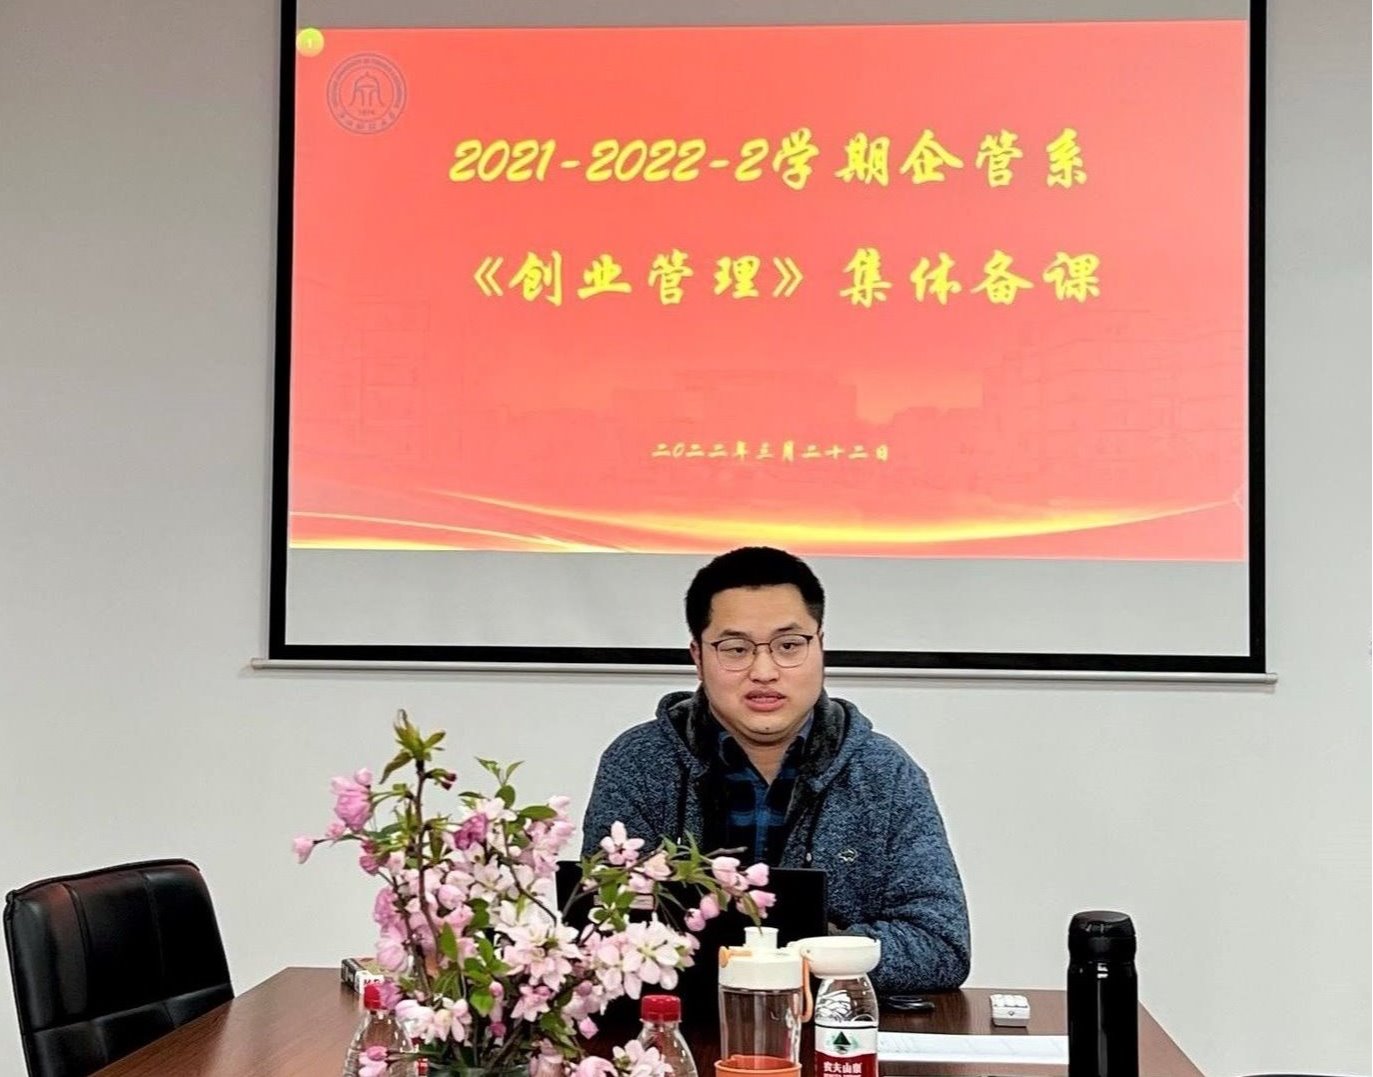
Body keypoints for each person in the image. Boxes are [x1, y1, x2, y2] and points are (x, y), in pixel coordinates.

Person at [581, 546, 970, 993]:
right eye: (736, 649)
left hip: (832, 1024)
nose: (764, 671)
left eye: (789, 646)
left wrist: (794, 958)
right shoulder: (640, 762)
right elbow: (603, 928)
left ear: (820, 647)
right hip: (683, 1025)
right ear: (697, 656)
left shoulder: (883, 773)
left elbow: (940, 945)